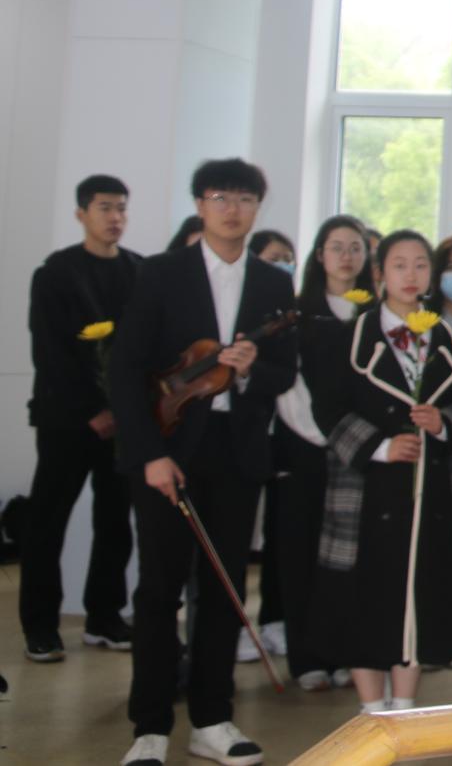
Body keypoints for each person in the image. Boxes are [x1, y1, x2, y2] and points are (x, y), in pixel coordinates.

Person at [109, 158, 297, 766]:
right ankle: (150, 728)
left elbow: (284, 371)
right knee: (160, 591)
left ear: (257, 207)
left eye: (244, 199)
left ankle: (212, 720)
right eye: (220, 197)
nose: (232, 209)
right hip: (169, 448)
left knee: (224, 590)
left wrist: (251, 371)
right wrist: (149, 455)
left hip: (236, 451)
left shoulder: (273, 283)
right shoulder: (162, 272)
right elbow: (126, 369)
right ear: (200, 204)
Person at [311, 230, 452, 716]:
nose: (411, 275)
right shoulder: (349, 336)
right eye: (399, 265)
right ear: (380, 273)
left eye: (421, 264)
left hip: (428, 493)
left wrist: (443, 424)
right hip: (367, 487)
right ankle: (371, 712)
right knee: (366, 598)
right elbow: (327, 409)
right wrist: (380, 447)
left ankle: (404, 707)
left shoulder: (447, 338)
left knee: (417, 596)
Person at [22, 174, 139, 664]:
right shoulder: (56, 273)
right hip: (66, 422)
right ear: (81, 214)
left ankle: (104, 618)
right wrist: (93, 410)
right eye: (105, 207)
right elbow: (50, 352)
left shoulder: (139, 271)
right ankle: (41, 627)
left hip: (125, 423)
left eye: (122, 208)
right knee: (47, 522)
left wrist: (124, 409)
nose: (115, 217)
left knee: (115, 522)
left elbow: (142, 349)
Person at [275, 215, 372, 692]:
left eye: (356, 247)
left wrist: (351, 438)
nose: (346, 257)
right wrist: (325, 433)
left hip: (359, 453)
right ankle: (306, 658)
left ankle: (345, 653)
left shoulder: (374, 312)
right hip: (305, 447)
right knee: (300, 553)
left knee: (348, 559)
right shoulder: (298, 313)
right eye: (337, 247)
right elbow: (287, 383)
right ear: (319, 255)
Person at [246, 223, 300, 666]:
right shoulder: (243, 307)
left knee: (279, 534)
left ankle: (275, 618)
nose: (281, 266)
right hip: (243, 435)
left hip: (284, 439)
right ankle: (240, 625)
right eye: (272, 258)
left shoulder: (290, 311)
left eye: (287, 259)